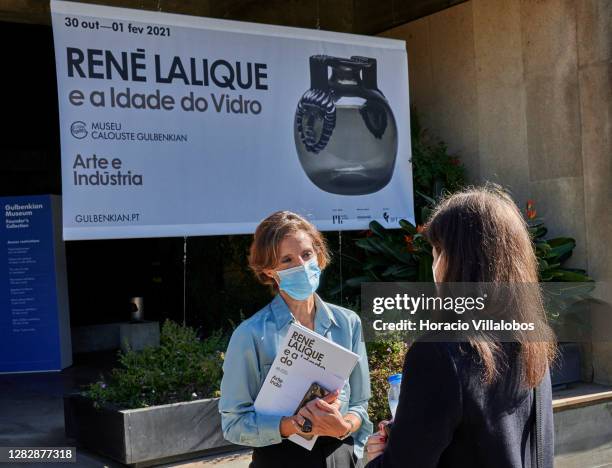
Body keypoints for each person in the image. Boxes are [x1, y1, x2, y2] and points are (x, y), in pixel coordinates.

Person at [365, 185, 556, 468]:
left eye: (435, 253)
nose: (433, 267)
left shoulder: (439, 353)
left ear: (455, 262)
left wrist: (378, 458)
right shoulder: (533, 338)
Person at [219, 210, 373, 468]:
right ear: (269, 272)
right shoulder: (250, 335)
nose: (301, 266)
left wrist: (343, 426)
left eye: (306, 254)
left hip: (341, 455)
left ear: (319, 256)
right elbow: (233, 424)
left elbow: (359, 404)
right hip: (281, 458)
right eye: (287, 260)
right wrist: (292, 425)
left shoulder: (349, 324)